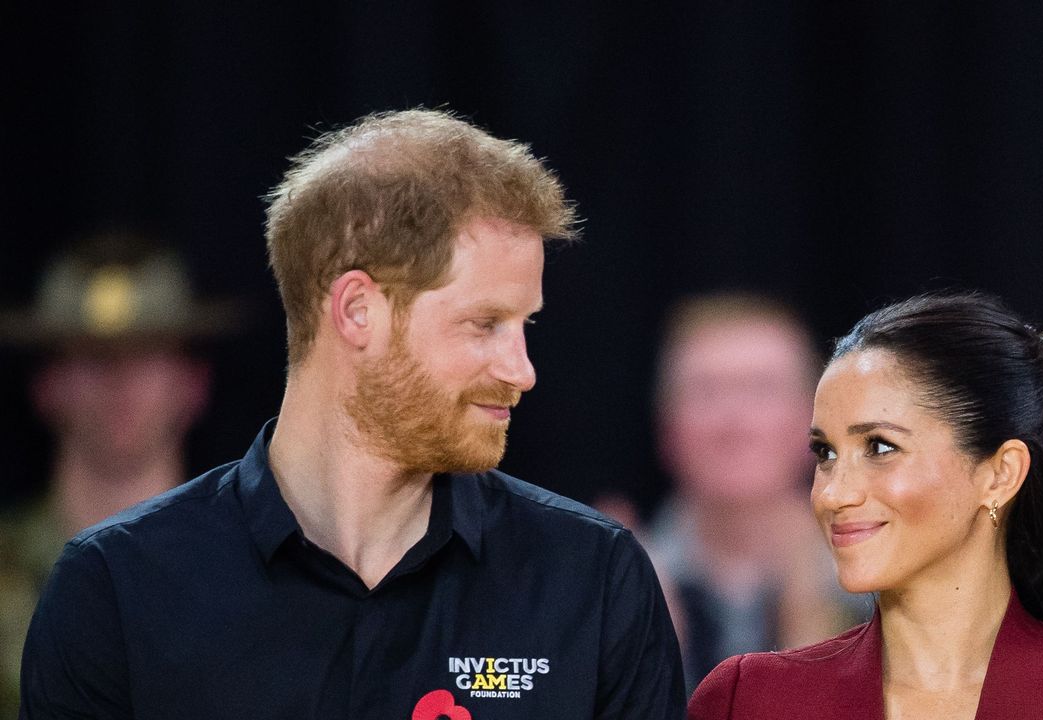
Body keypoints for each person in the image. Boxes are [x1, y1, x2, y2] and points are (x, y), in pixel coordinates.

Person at [20, 109, 685, 719]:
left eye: (525, 324)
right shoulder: (116, 590)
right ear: (357, 311)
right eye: (484, 324)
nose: (522, 369)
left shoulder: (592, 582)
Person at [688, 292, 1043, 719]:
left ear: (999, 474)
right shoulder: (749, 699)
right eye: (825, 453)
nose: (832, 493)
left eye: (879, 447)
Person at [0, 234, 226, 719]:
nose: (119, 378)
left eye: (146, 352)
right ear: (45, 385)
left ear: (194, 382)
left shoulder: (257, 578)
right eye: (91, 356)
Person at [642, 293, 871, 691]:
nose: (734, 422)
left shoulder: (880, 587)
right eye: (706, 392)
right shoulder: (616, 590)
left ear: (814, 422)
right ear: (667, 426)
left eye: (761, 390)